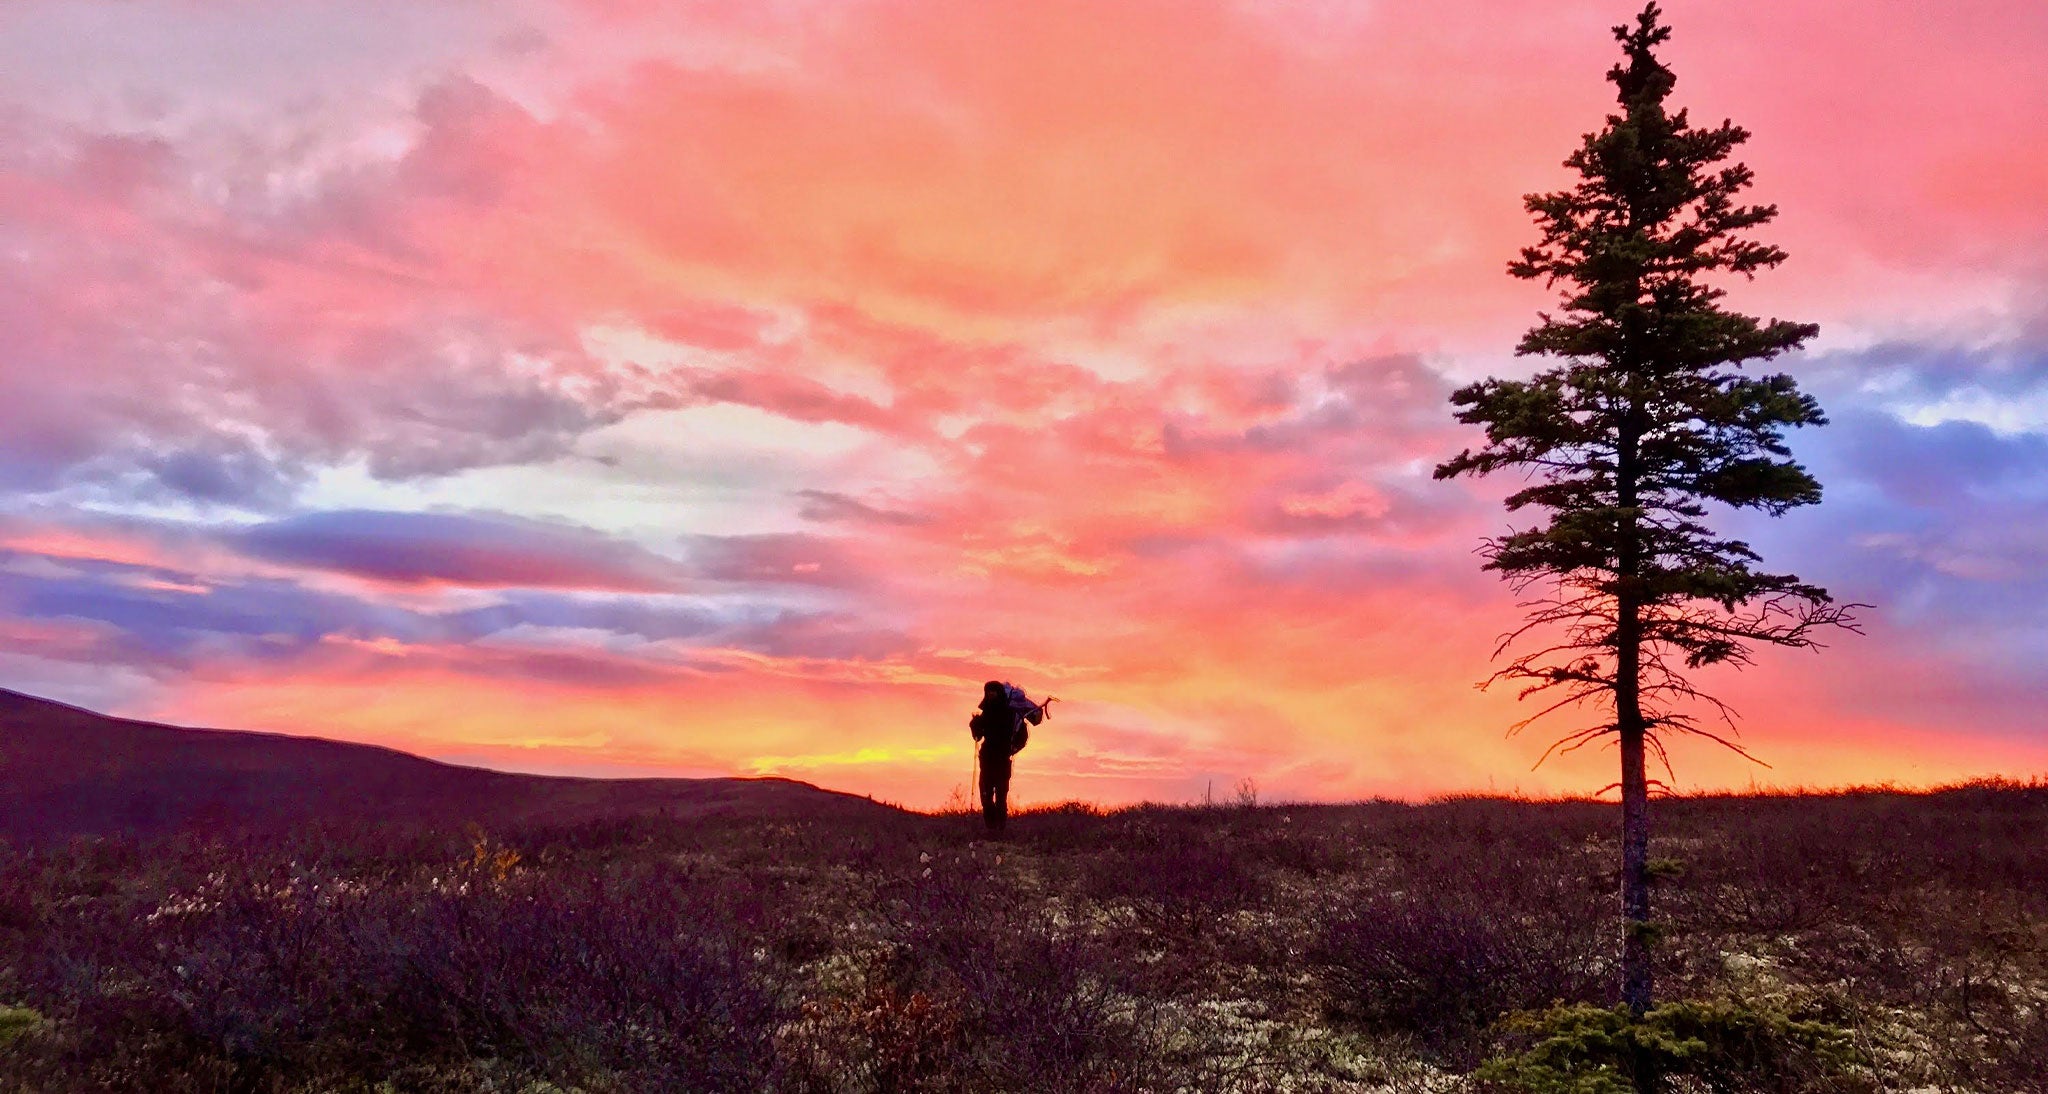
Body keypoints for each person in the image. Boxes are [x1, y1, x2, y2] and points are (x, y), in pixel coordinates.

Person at [968, 680, 1046, 834]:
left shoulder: (1003, 712)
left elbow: (980, 734)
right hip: (991, 757)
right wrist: (975, 726)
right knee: (988, 794)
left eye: (993, 691)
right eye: (988, 691)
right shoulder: (990, 711)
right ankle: (994, 829)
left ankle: (997, 829)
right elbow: (979, 734)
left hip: (1000, 758)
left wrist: (976, 726)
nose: (990, 694)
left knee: (998, 795)